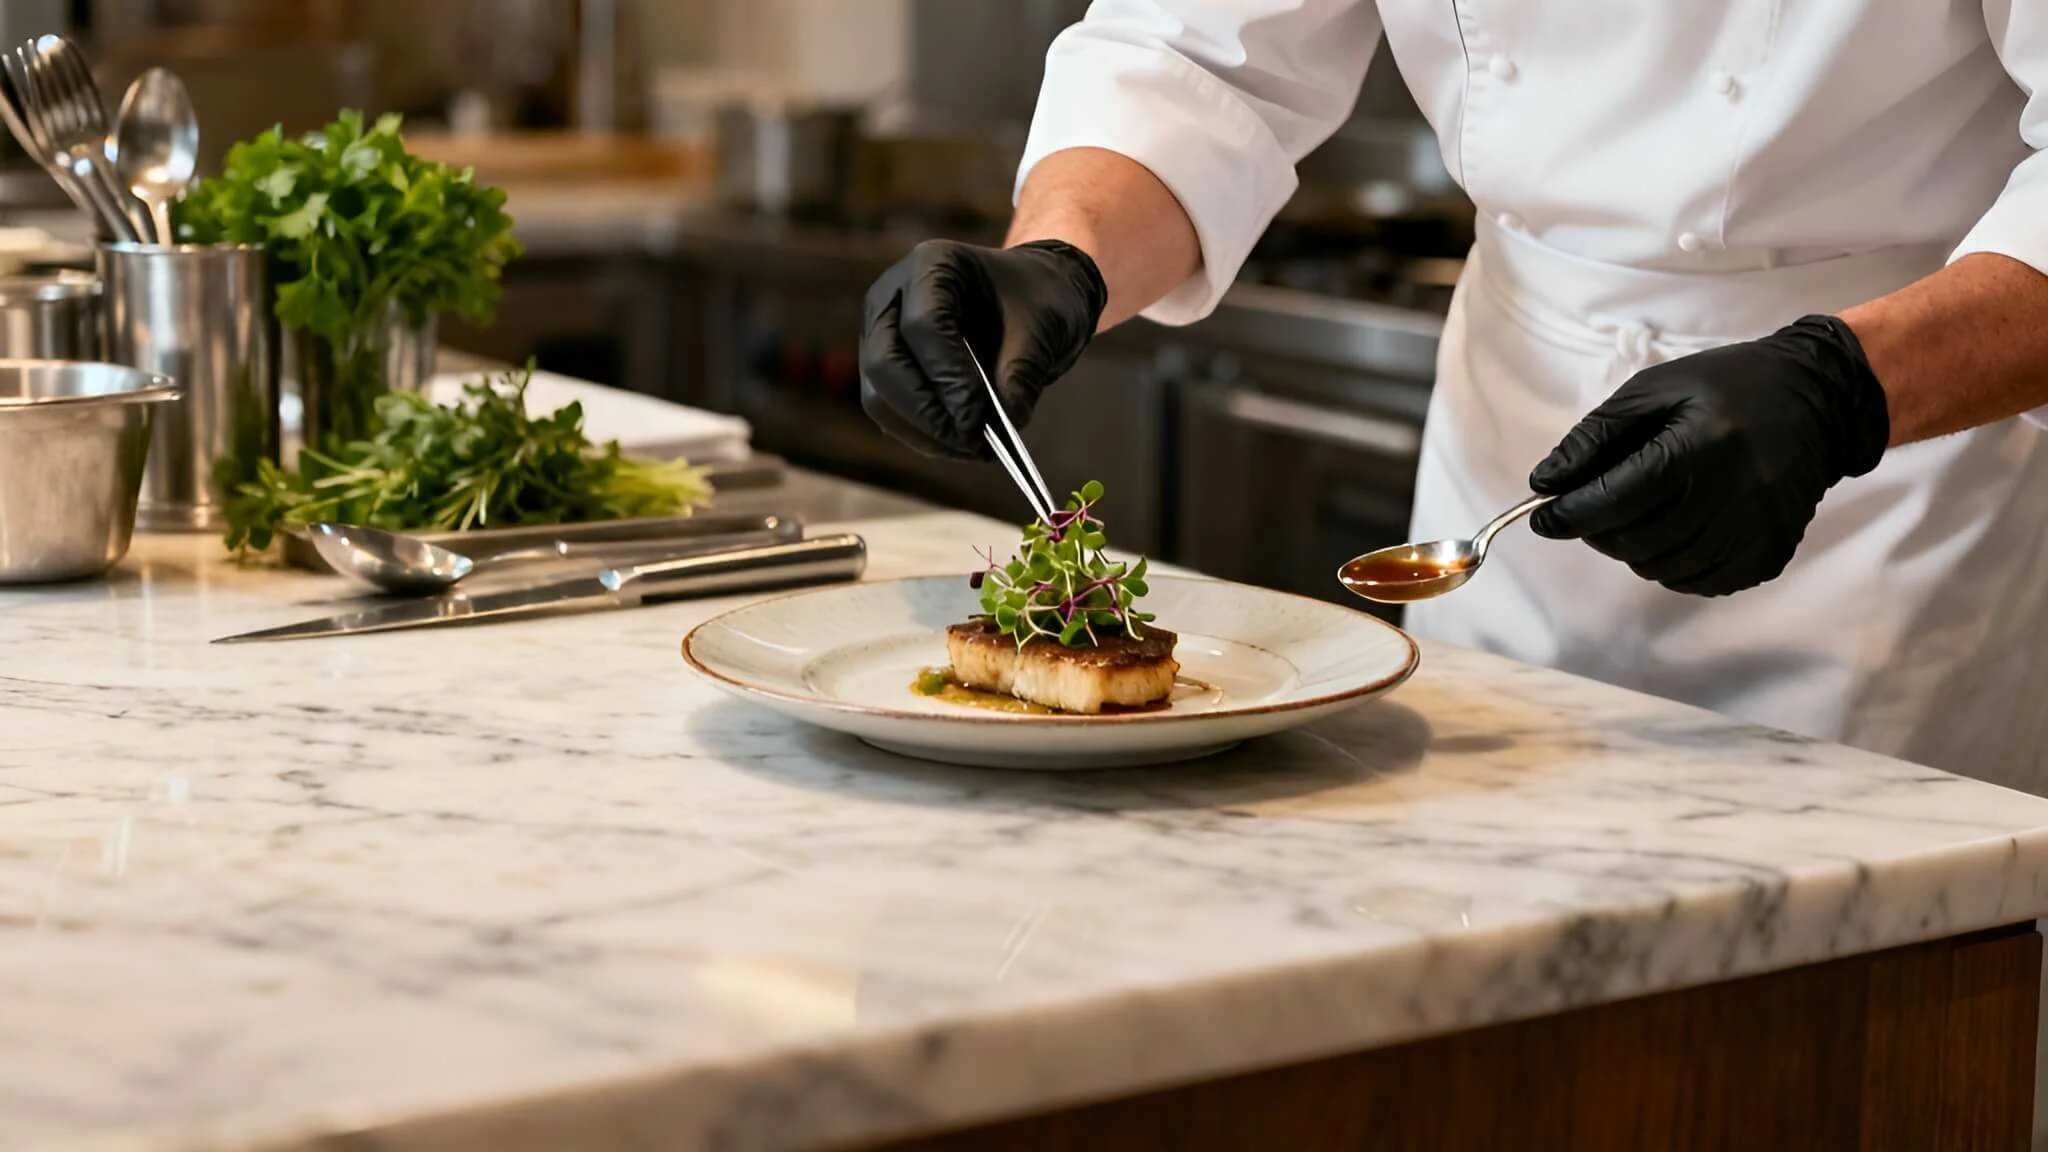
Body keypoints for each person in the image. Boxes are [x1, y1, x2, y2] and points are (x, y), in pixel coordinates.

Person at [856, 0, 2048, 788]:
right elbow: (1200, 50)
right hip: (1509, 456)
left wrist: (1844, 388)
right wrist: (1061, 260)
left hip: (1895, 471)